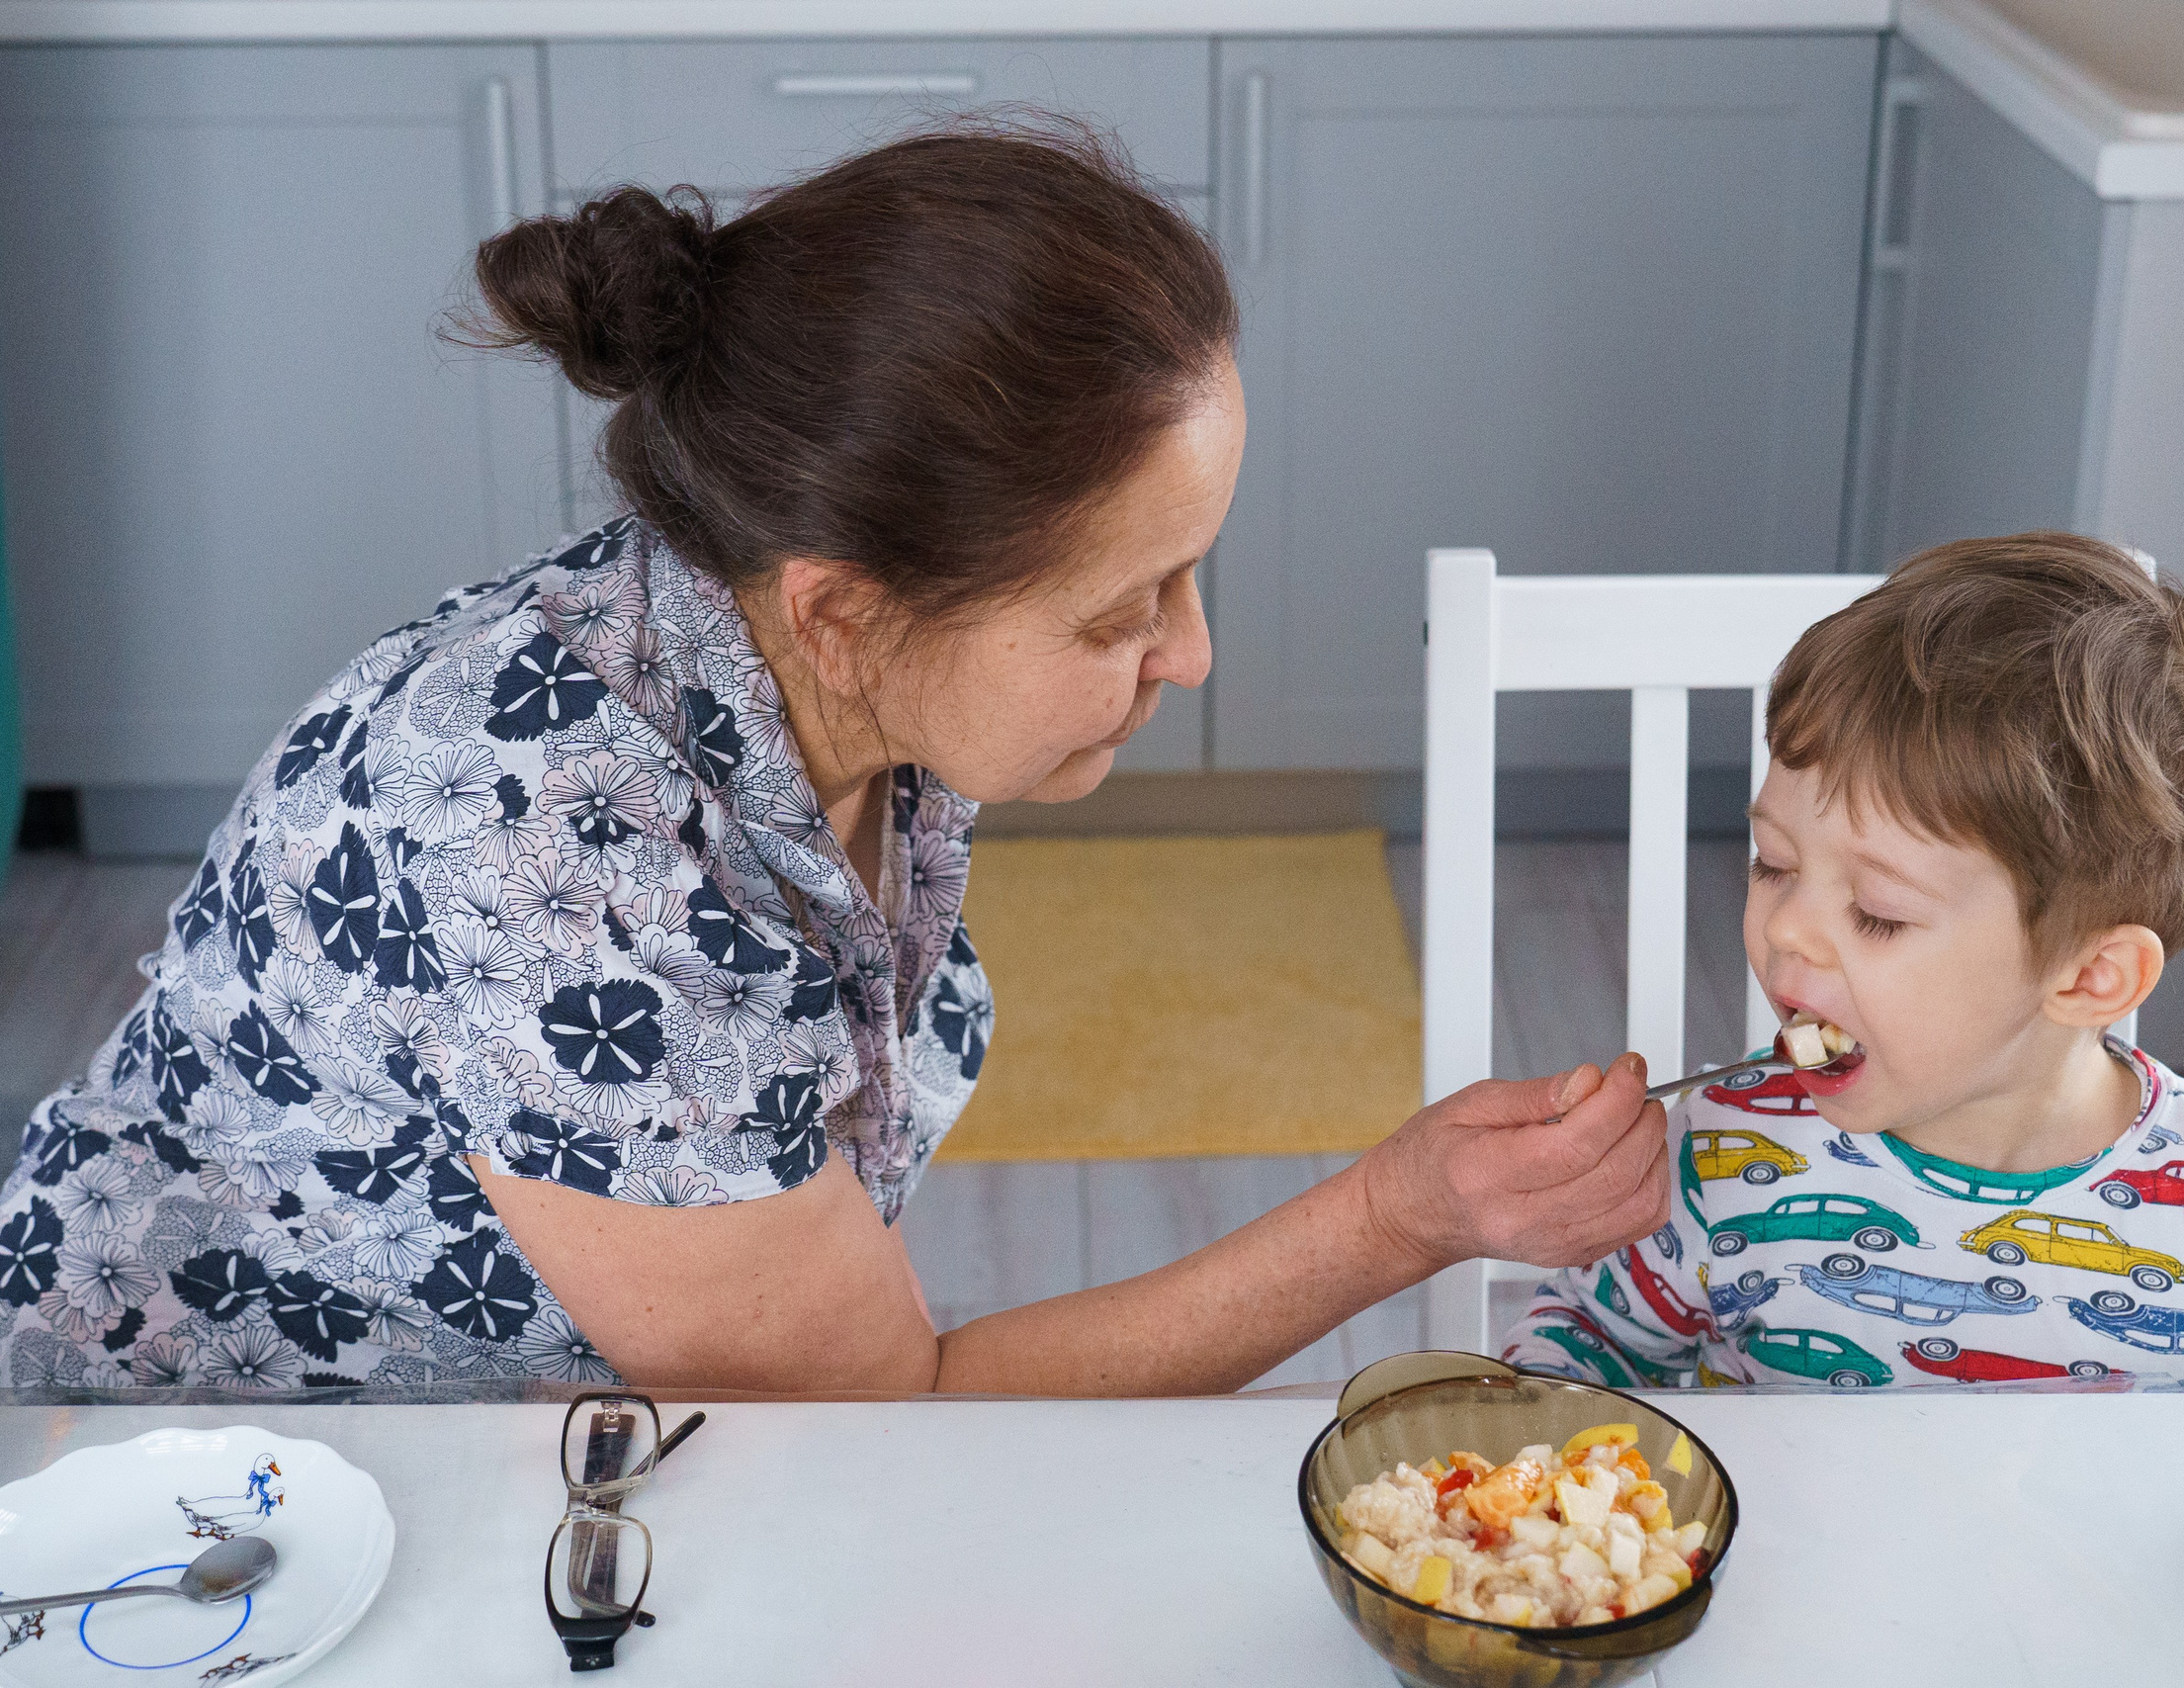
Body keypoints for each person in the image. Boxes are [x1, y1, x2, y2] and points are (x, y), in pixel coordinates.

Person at [0, 125, 1670, 1393]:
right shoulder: (557, 873)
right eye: (1120, 612)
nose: (1192, 652)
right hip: (214, 1497)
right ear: (850, 613)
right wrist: (1397, 1218)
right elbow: (889, 1412)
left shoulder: (811, 648)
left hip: (531, 1423)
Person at [1506, 534, 2184, 1392]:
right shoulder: (1716, 1154)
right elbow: (1568, 1358)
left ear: (2090, 977)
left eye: (1879, 912)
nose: (1788, 930)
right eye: (1772, 860)